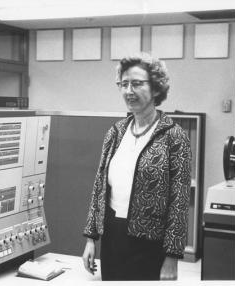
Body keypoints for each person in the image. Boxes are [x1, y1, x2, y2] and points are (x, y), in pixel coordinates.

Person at [82, 53, 191, 281]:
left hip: (151, 245)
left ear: (156, 88)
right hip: (114, 237)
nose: (129, 91)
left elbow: (179, 202)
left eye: (137, 84)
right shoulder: (116, 132)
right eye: (124, 84)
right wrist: (91, 239)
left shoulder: (174, 137)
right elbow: (100, 186)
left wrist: (172, 257)